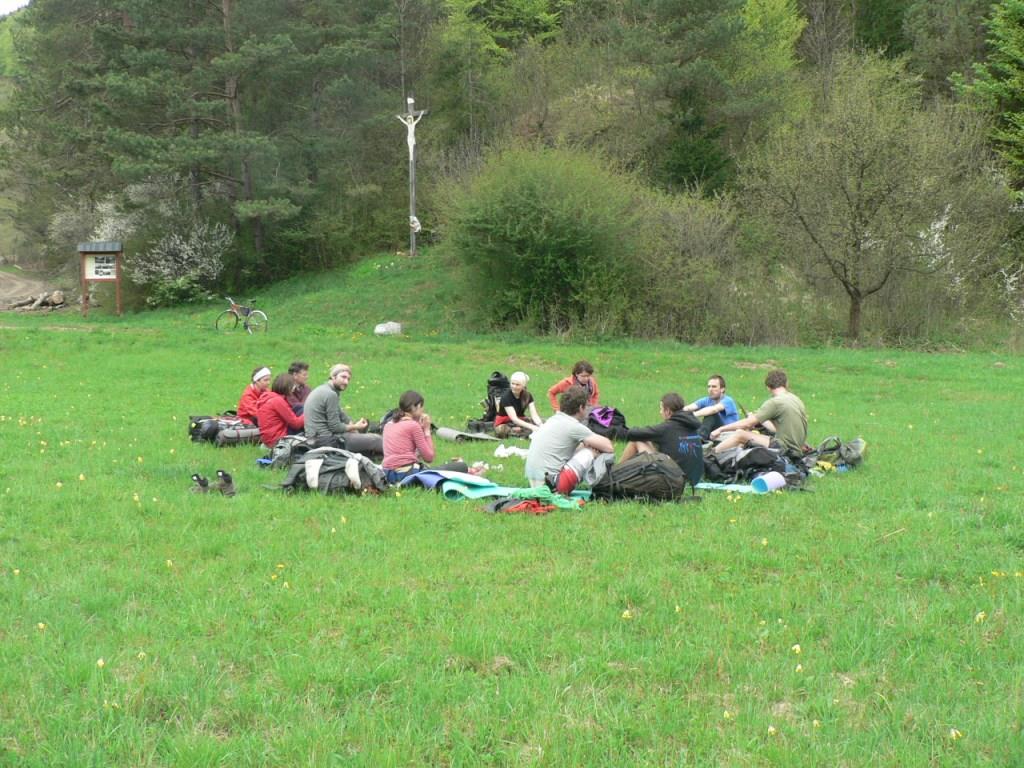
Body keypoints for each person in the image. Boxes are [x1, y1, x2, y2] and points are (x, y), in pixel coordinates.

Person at [526, 385, 614, 493]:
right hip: (553, 485)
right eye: (587, 406)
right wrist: (593, 451)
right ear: (581, 408)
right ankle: (603, 484)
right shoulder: (573, 426)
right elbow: (609, 447)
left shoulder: (553, 420)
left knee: (584, 446)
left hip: (536, 482)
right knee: (589, 452)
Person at [711, 369, 808, 459]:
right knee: (749, 436)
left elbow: (747, 424)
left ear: (768, 387)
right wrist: (761, 420)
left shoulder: (775, 402)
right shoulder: (796, 399)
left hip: (784, 448)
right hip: (796, 449)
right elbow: (776, 429)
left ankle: (710, 456)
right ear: (786, 383)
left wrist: (721, 429)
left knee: (740, 434)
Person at [381, 390, 468, 484]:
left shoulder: (388, 425)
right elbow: (429, 457)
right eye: (421, 406)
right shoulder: (413, 426)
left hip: (388, 474)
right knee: (461, 466)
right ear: (414, 407)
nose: (423, 410)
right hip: (405, 474)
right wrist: (426, 430)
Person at [303, 363, 384, 456]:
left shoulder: (325, 389)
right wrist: (355, 427)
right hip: (326, 441)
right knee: (375, 439)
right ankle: (395, 451)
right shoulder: (330, 394)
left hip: (315, 438)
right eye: (343, 377)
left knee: (365, 427)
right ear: (333, 376)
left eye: (348, 379)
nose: (346, 382)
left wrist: (351, 424)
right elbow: (335, 427)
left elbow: (340, 413)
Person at [620, 393, 702, 474]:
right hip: (694, 476)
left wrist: (619, 429)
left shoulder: (667, 427)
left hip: (675, 476)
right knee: (649, 441)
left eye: (661, 409)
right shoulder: (691, 424)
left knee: (636, 440)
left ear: (668, 411)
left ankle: (616, 472)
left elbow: (635, 434)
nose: (660, 412)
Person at [684, 374, 740, 439]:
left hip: (728, 435)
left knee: (712, 415)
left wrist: (693, 415)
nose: (710, 389)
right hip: (713, 434)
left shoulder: (728, 401)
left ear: (722, 389)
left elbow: (714, 410)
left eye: (714, 387)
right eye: (709, 387)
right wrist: (678, 413)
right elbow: (689, 408)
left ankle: (699, 440)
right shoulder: (707, 400)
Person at [257, 373, 305, 448]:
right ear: (288, 387)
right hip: (278, 440)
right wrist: (310, 413)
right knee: (303, 411)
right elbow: (296, 424)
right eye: (293, 385)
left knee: (298, 408)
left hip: (269, 439)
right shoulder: (277, 401)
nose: (294, 388)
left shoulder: (269, 398)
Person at [494, 371, 544, 438]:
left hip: (520, 420)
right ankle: (518, 431)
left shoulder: (528, 396)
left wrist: (541, 425)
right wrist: (532, 427)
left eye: (517, 385)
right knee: (501, 430)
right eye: (512, 384)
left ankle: (522, 431)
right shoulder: (506, 397)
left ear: (523, 386)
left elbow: (534, 415)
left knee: (543, 422)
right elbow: (514, 419)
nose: (514, 386)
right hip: (505, 422)